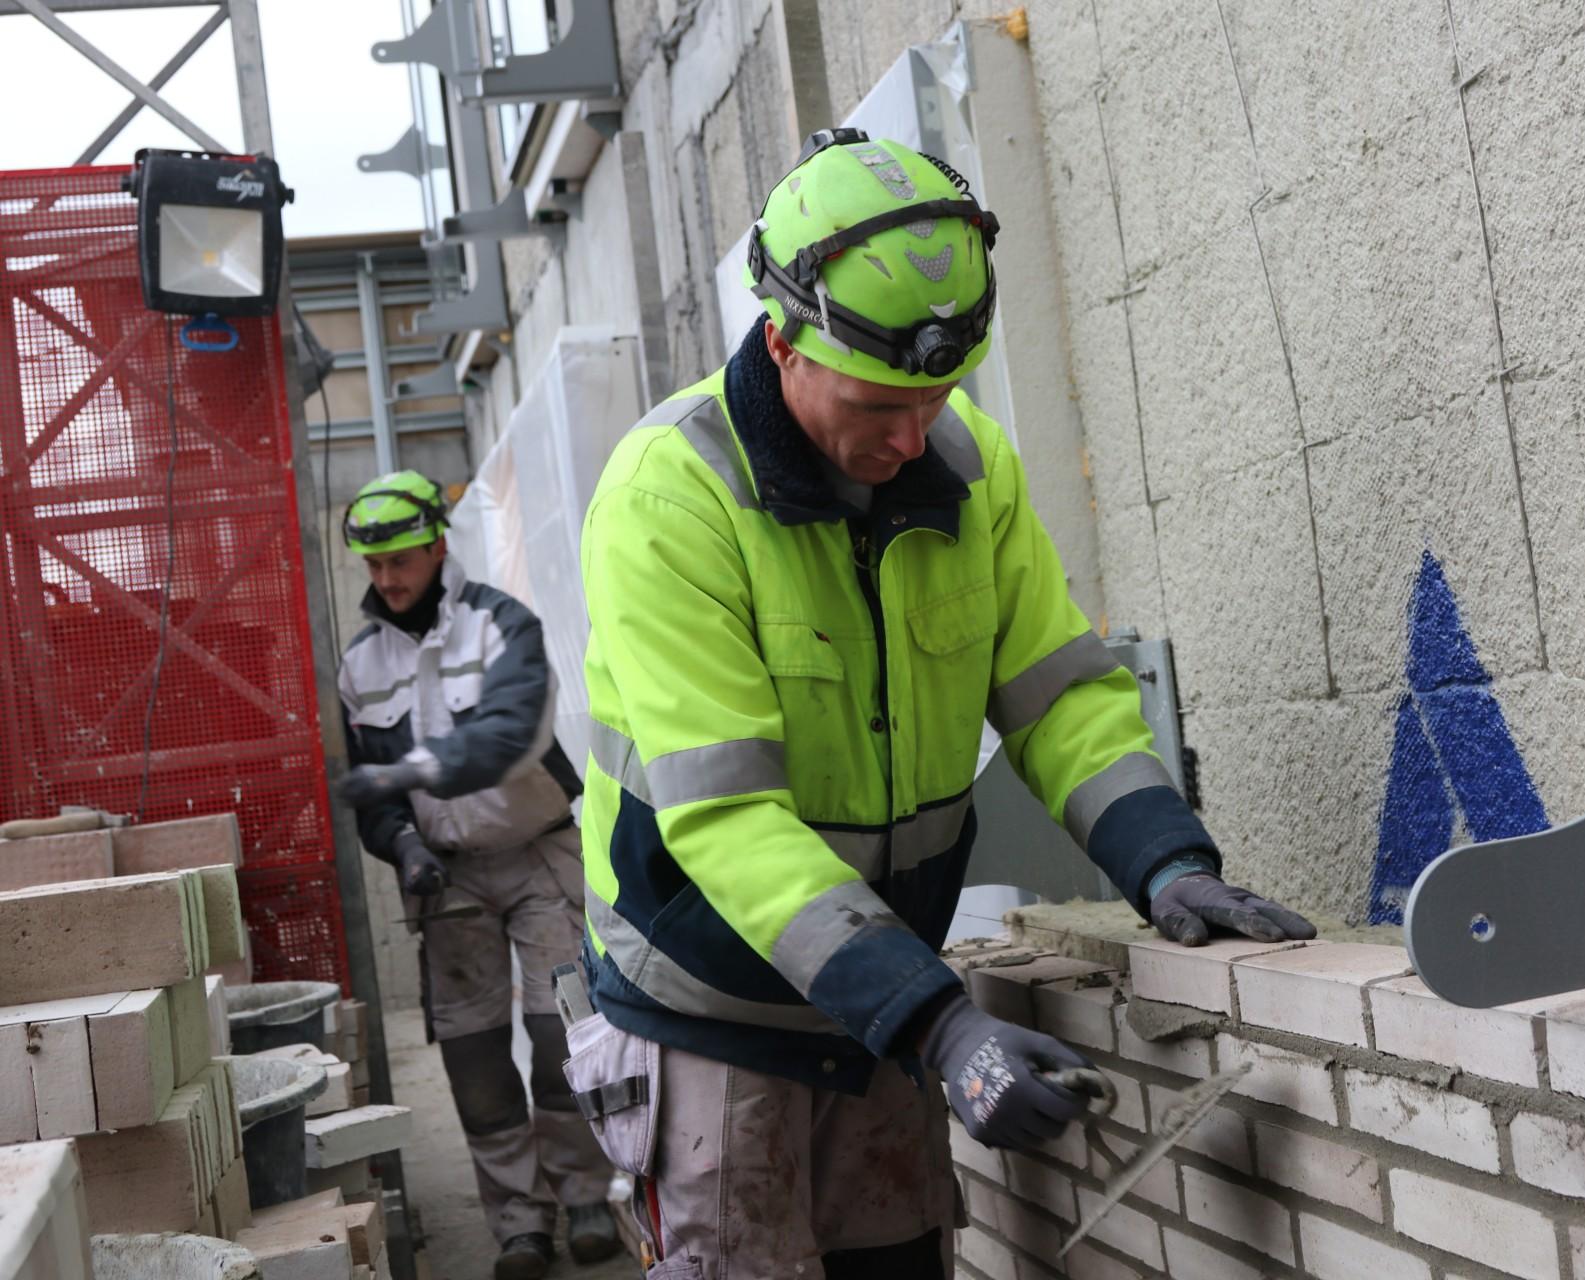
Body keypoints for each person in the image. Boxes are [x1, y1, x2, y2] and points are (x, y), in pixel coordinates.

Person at [572, 129, 1316, 1277]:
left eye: (938, 395)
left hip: (875, 1001)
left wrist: (1167, 861)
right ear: (783, 341)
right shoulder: (668, 501)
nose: (912, 437)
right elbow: (728, 820)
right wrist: (942, 1025)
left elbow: (1060, 700)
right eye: (879, 402)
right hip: (709, 1005)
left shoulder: (967, 467)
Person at [334, 471, 618, 1280]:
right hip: (449, 875)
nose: (387, 580)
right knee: (474, 1054)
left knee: (562, 1032)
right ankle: (521, 1222)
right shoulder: (363, 664)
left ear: (435, 545)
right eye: (371, 566)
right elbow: (372, 794)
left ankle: (589, 1196)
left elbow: (504, 738)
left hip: (538, 855)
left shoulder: (502, 626)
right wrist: (406, 847)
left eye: (399, 561)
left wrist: (404, 777)